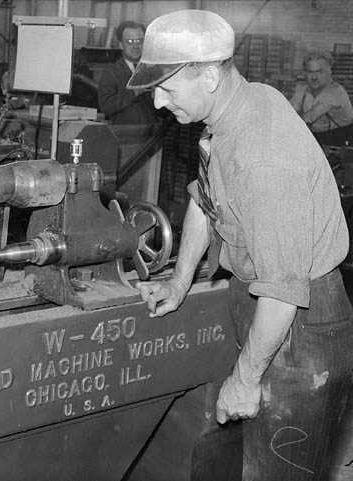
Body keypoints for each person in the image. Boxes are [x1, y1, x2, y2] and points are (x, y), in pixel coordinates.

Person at [130, 9, 353, 481]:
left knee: (280, 468)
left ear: (210, 76)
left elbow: (283, 289)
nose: (156, 102)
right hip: (261, 307)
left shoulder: (264, 157)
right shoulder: (239, 106)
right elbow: (204, 200)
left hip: (300, 328)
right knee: (221, 458)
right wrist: (178, 281)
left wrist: (246, 379)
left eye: (166, 88)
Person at [97, 21, 158, 125]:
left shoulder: (153, 70)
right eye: (130, 41)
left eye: (140, 41)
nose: (135, 46)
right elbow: (106, 107)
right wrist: (135, 92)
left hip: (152, 136)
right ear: (121, 45)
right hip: (125, 136)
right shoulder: (111, 73)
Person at [290, 50, 353, 146]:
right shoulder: (304, 89)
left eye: (319, 72)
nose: (314, 77)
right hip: (317, 138)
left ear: (330, 71)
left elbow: (309, 118)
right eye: (310, 72)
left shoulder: (335, 91)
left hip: (337, 142)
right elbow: (290, 108)